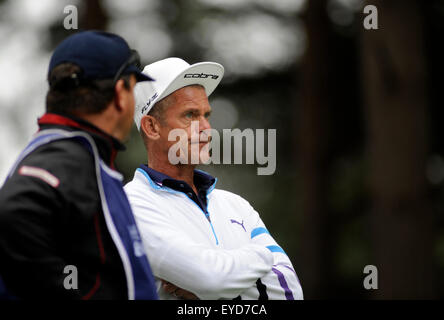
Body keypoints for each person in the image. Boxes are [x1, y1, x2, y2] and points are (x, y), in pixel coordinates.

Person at [124, 57, 303, 300]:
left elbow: (291, 292)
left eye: (206, 115)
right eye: (190, 115)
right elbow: (211, 280)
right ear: (152, 127)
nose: (206, 128)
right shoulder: (131, 204)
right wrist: (262, 256)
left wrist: (218, 286)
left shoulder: (236, 205)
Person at [0, 31, 158, 300]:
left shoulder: (82, 152)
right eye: (133, 88)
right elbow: (14, 211)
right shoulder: (66, 154)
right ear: (120, 93)